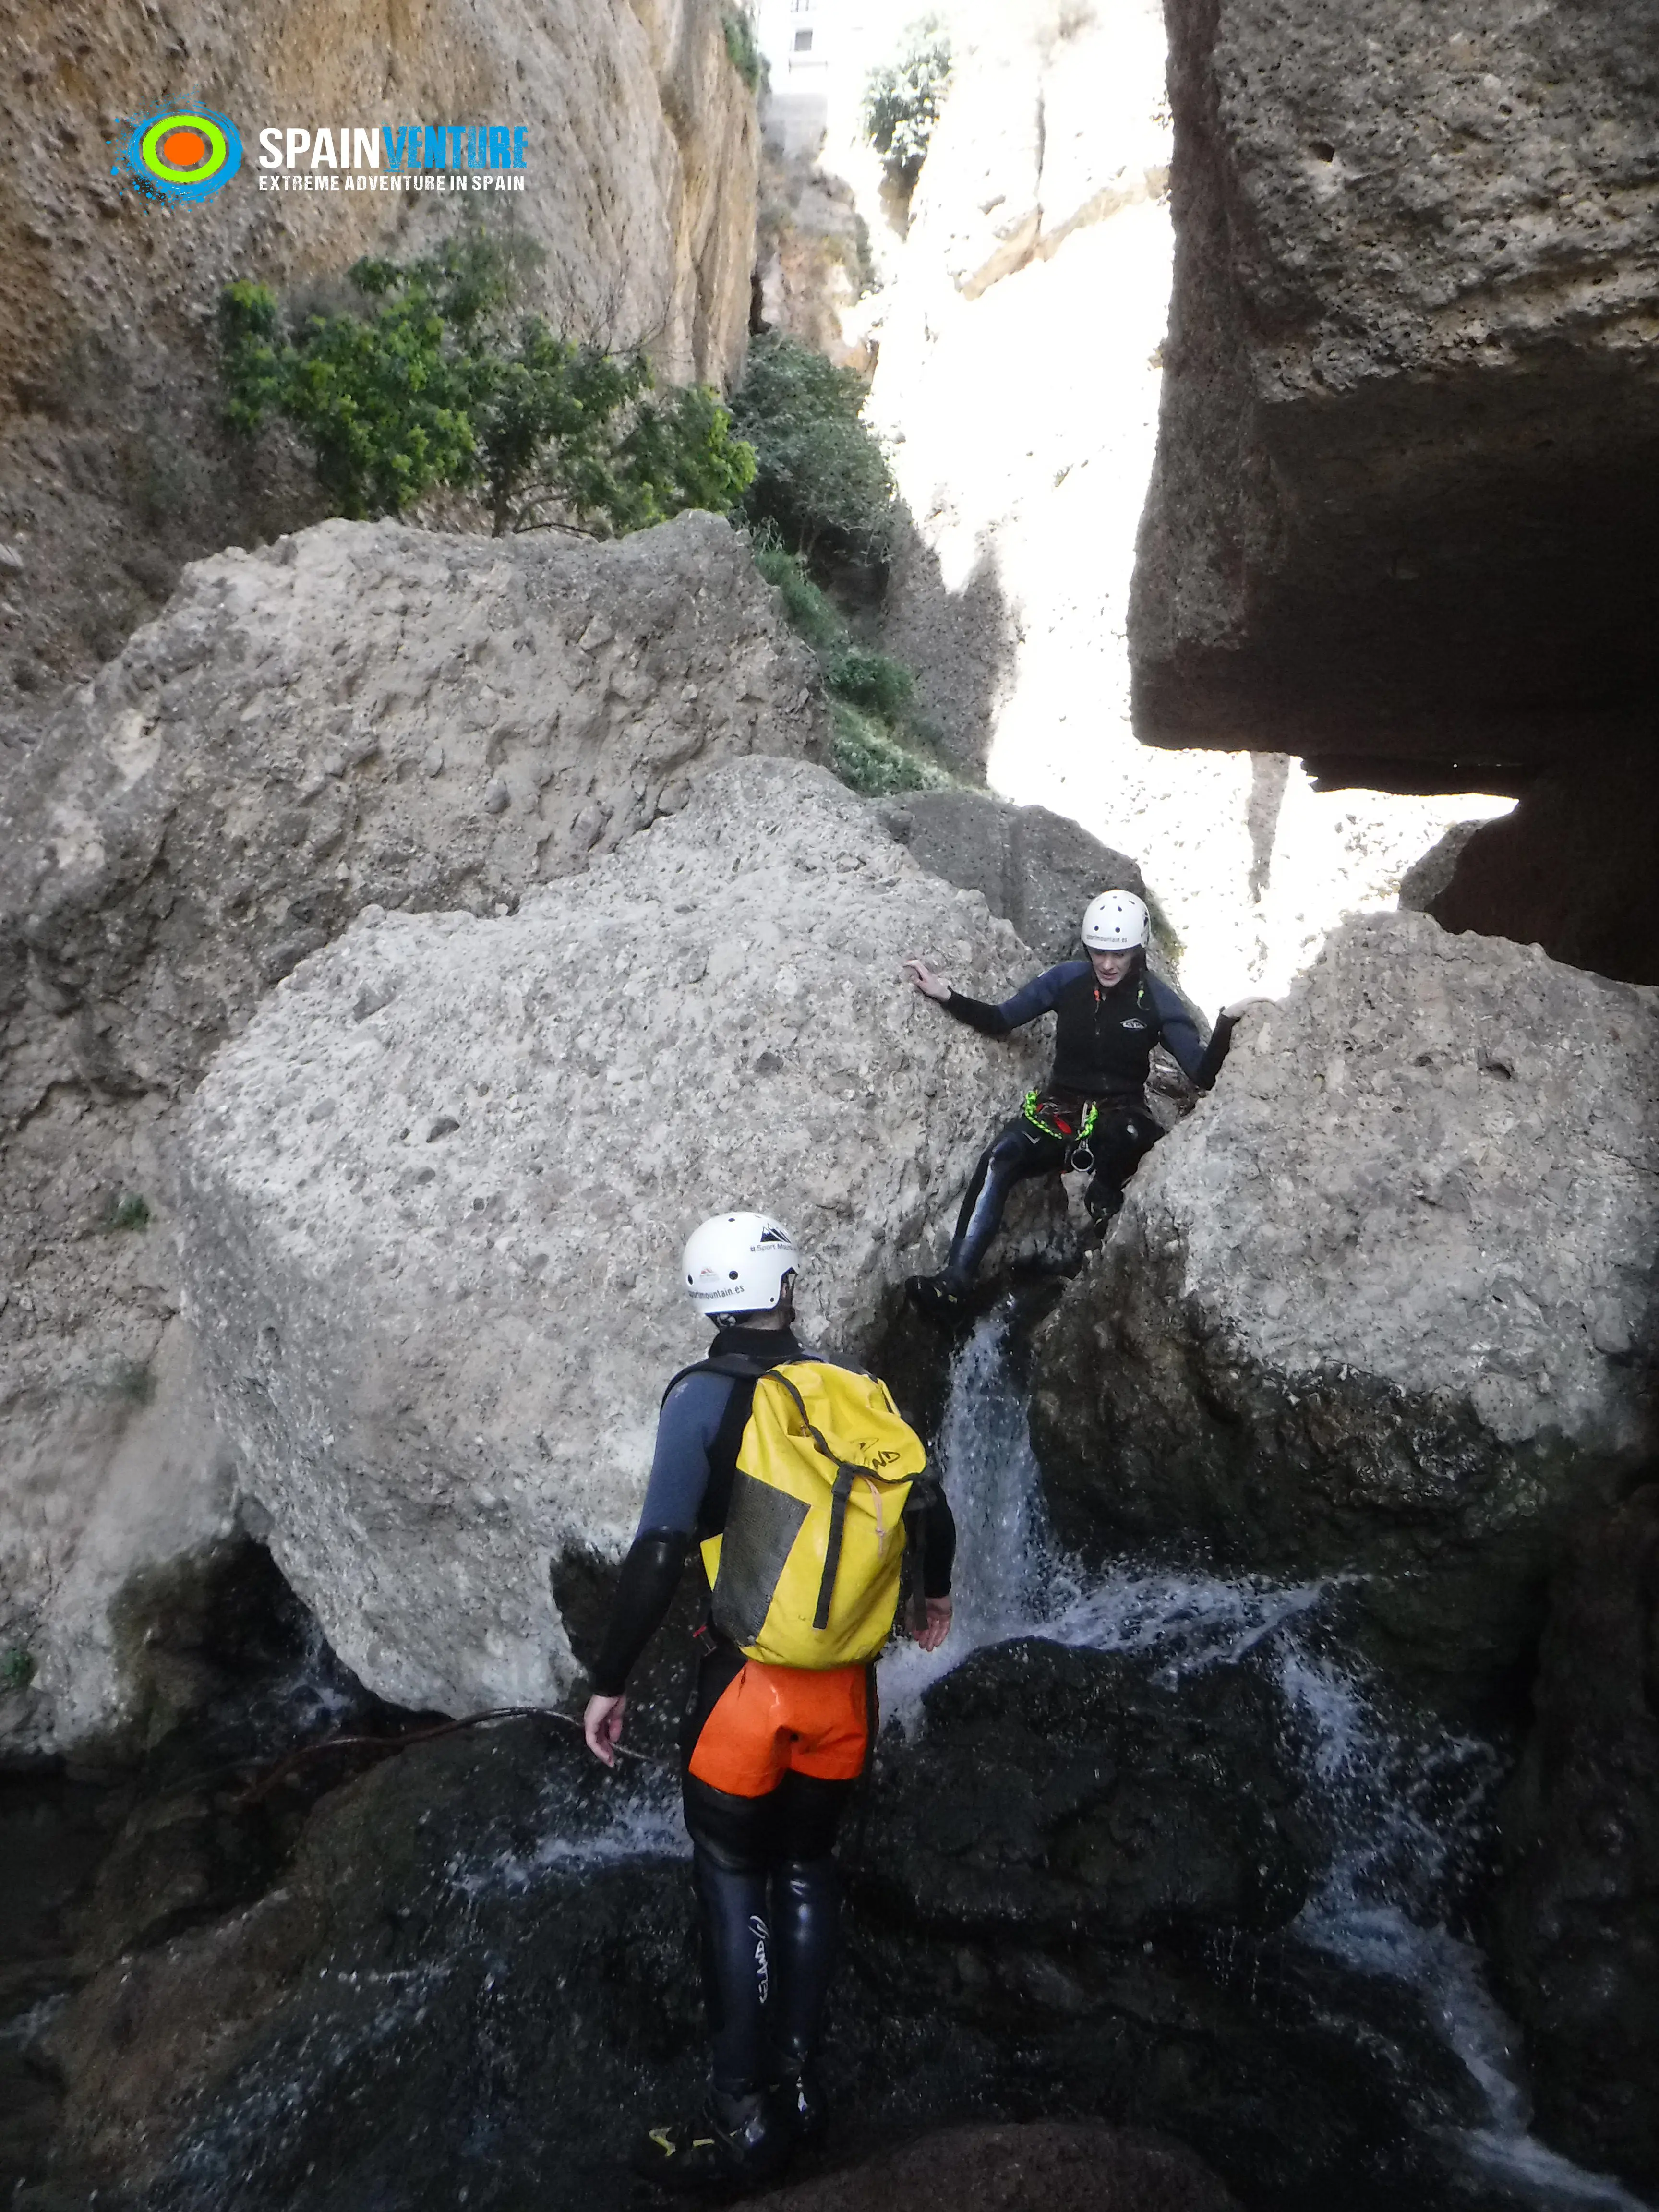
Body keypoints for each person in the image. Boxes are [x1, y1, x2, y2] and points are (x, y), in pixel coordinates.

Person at [582, 1211, 956, 2192]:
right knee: (806, 1867)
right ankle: (801, 2092)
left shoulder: (703, 1399)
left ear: (705, 1297)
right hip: (847, 1695)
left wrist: (610, 1679)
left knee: (732, 1877)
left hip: (745, 1692)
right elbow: (931, 1503)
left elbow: (664, 1546)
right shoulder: (852, 1386)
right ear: (788, 1285)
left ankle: (742, 2119)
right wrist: (940, 1592)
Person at [902, 889, 1263, 1312]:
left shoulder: (1156, 1000)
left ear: (1137, 950)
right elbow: (1002, 1019)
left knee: (1132, 1132)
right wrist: (947, 995)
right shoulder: (1067, 981)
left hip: (1120, 1114)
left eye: (1119, 954)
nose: (1108, 964)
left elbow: (1202, 1074)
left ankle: (1105, 1192)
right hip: (1061, 1110)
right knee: (1001, 1156)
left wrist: (1225, 1022)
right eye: (1099, 953)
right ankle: (955, 1280)